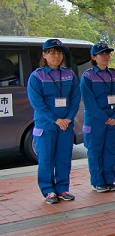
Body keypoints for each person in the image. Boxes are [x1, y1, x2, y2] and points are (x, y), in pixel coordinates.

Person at [27, 39, 81, 204]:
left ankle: (62, 188)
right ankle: (48, 190)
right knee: (46, 158)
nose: (56, 56)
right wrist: (56, 119)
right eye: (52, 52)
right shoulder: (37, 76)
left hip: (66, 123)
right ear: (44, 55)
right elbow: (37, 103)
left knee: (64, 157)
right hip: (47, 124)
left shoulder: (69, 74)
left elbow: (75, 98)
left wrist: (69, 118)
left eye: (59, 52)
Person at [80, 42, 115, 193]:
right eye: (102, 54)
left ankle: (109, 180)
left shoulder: (114, 74)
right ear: (94, 57)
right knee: (95, 150)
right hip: (96, 120)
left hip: (113, 119)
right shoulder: (88, 76)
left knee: (111, 150)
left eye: (108, 54)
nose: (106, 57)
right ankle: (98, 181)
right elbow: (89, 101)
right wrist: (105, 117)